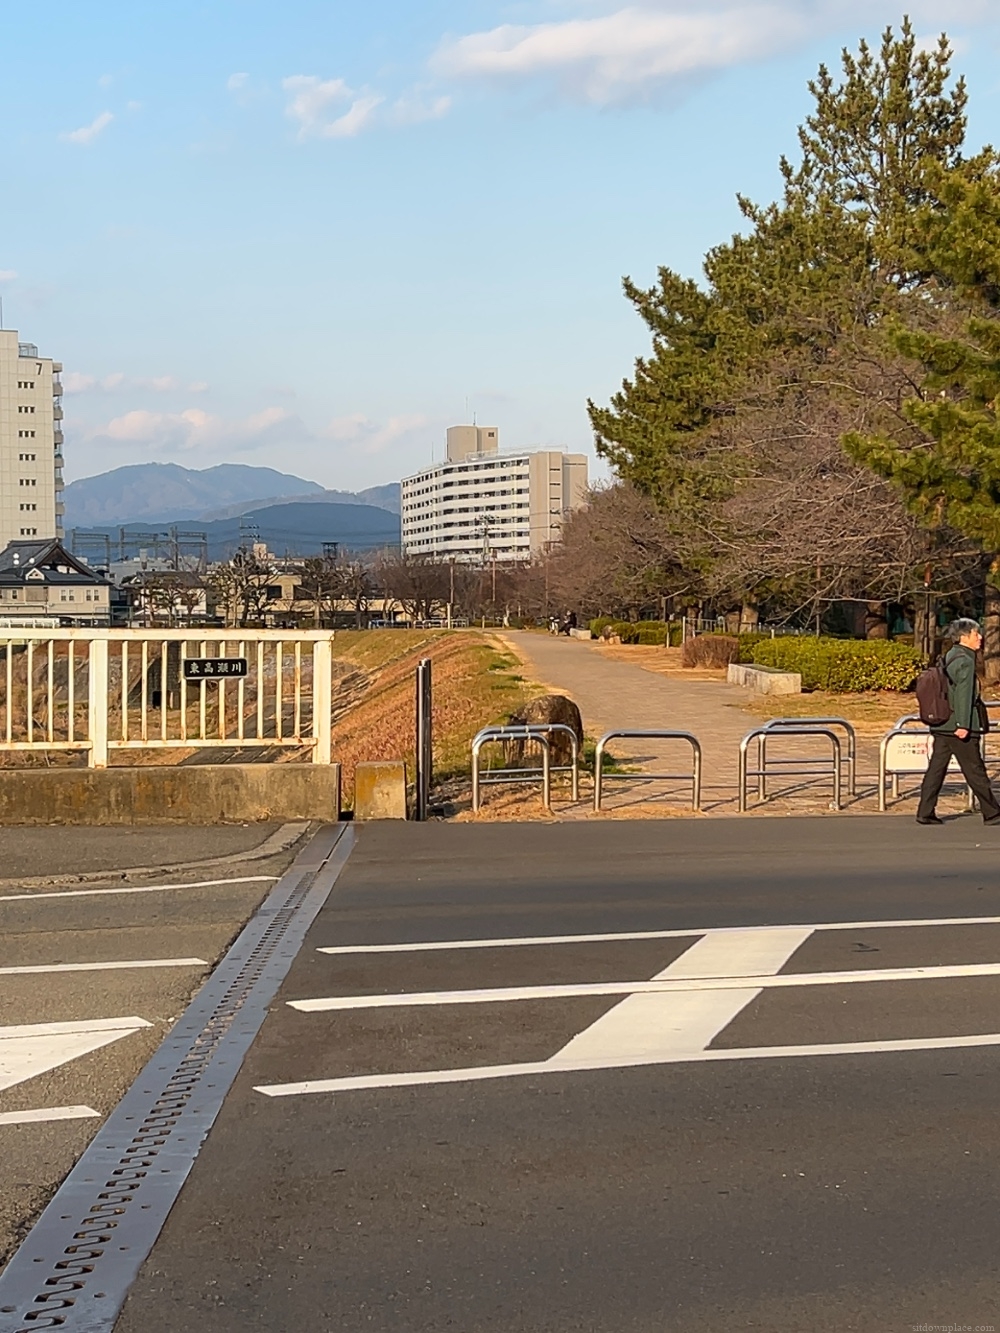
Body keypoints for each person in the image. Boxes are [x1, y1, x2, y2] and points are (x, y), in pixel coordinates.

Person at [916, 618, 1000, 825]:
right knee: (975, 770)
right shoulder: (965, 660)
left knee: (936, 768)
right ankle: (992, 813)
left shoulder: (949, 656)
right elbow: (964, 695)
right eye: (975, 634)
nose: (980, 638)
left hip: (942, 723)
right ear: (964, 637)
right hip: (958, 725)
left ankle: (925, 811)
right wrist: (963, 725)